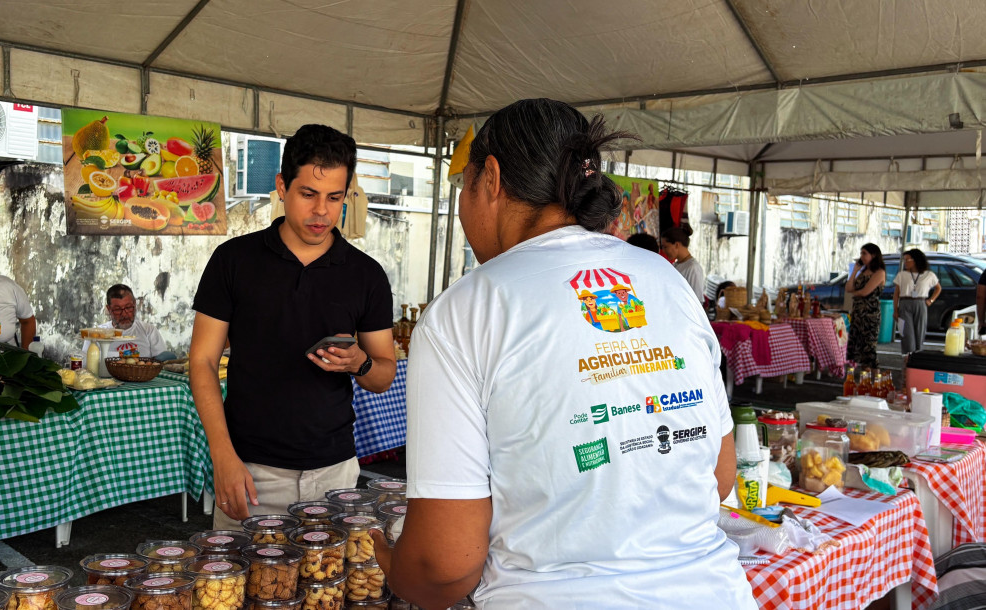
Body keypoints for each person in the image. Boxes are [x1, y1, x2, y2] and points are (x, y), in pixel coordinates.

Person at [373, 99, 756, 609]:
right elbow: (719, 473)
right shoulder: (665, 280)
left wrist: (400, 568)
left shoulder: (465, 310)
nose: (463, 206)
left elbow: (445, 563)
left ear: (490, 178)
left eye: (462, 185)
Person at [190, 124, 396, 527]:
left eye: (335, 197)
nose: (321, 211)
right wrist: (223, 455)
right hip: (250, 472)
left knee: (329, 589)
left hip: (335, 473)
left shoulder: (366, 275)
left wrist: (359, 363)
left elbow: (384, 372)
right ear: (282, 186)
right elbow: (202, 360)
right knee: (237, 587)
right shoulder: (234, 261)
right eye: (308, 194)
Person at [89, 284, 172, 360]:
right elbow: (88, 365)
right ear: (109, 309)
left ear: (134, 304)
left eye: (128, 307)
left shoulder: (148, 330)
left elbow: (163, 362)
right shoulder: (96, 334)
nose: (124, 314)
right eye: (118, 309)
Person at [892, 249, 940, 357]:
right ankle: (907, 360)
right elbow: (896, 294)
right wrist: (895, 310)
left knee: (919, 334)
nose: (905, 262)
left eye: (907, 260)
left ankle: (916, 361)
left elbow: (938, 288)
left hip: (921, 303)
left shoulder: (929, 275)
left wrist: (930, 300)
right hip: (904, 303)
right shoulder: (902, 275)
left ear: (915, 260)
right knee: (907, 335)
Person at [846, 243, 886, 369]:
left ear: (873, 255)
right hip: (858, 312)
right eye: (861, 253)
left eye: (864, 253)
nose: (861, 256)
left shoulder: (879, 272)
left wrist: (855, 294)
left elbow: (865, 292)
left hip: (870, 313)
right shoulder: (863, 272)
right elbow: (849, 288)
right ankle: (865, 378)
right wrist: (855, 271)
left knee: (868, 347)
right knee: (857, 346)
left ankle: (875, 378)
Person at [661, 225, 705, 302]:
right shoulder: (675, 265)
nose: (664, 251)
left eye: (665, 247)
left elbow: (697, 301)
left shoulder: (693, 268)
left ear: (677, 245)